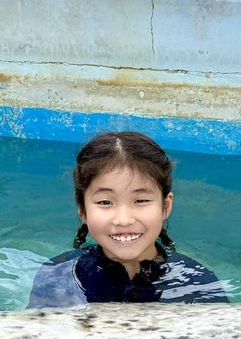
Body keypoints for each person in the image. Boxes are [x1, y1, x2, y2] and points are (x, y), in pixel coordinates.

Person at [27, 132, 228, 308]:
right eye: (105, 202)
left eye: (140, 200)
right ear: (83, 211)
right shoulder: (57, 276)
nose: (123, 219)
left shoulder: (198, 283)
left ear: (165, 206)